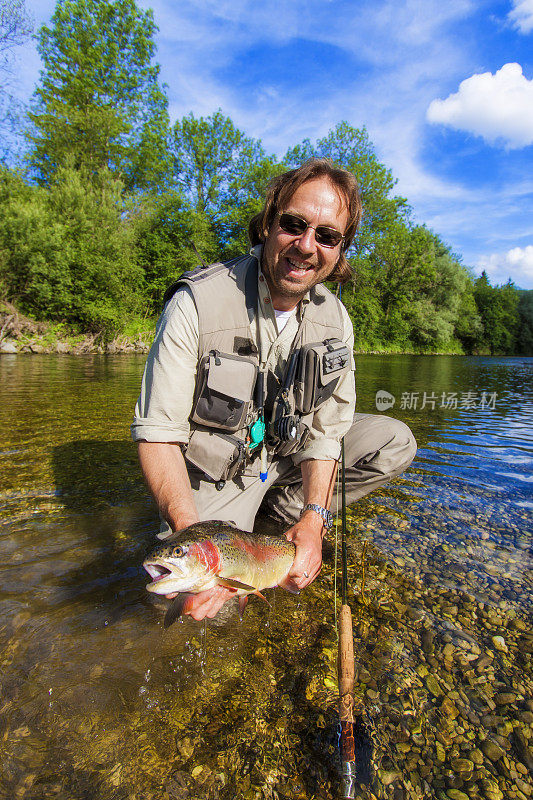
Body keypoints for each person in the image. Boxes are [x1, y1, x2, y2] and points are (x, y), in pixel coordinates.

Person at [132, 158, 417, 620]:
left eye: (327, 236)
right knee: (206, 609)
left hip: (284, 456)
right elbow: (157, 433)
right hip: (218, 474)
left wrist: (314, 521)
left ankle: (279, 522)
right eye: (294, 224)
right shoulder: (197, 303)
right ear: (267, 224)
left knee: (393, 441)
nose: (306, 246)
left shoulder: (335, 319)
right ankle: (240, 530)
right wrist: (200, 541)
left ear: (340, 250)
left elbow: (326, 435)